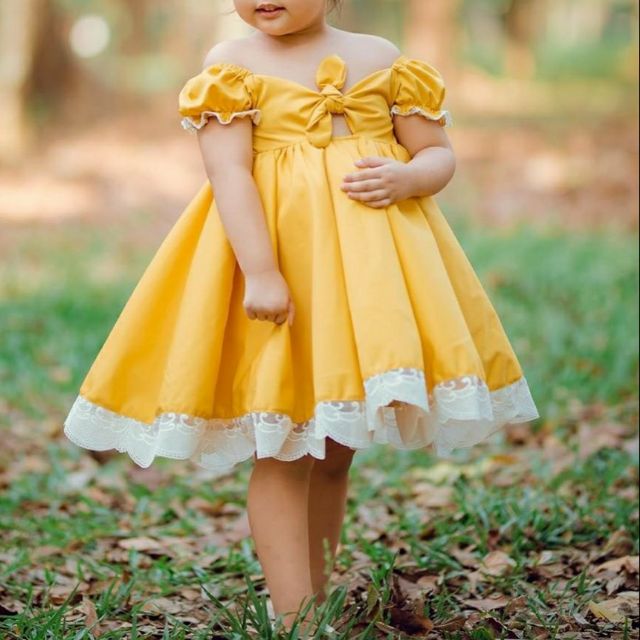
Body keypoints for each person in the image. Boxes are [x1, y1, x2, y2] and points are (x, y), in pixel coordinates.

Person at [63, 0, 540, 631]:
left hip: (368, 279)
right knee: (285, 442)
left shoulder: (381, 58)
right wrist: (261, 271)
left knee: (337, 445)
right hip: (281, 268)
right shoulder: (230, 65)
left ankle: (316, 588)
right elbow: (228, 172)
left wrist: (409, 177)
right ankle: (295, 616)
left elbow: (438, 154)